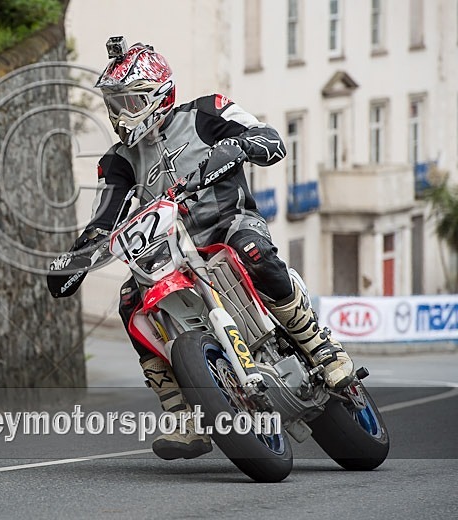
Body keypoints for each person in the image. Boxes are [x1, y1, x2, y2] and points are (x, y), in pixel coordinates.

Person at [47, 38, 355, 460]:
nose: (120, 112)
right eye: (114, 102)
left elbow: (268, 136)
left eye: (130, 100)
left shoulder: (208, 110)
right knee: (129, 301)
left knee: (254, 252)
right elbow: (104, 219)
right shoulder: (117, 160)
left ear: (159, 94)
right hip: (171, 250)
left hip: (231, 224)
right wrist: (75, 259)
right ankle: (180, 412)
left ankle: (320, 345)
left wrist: (244, 146)